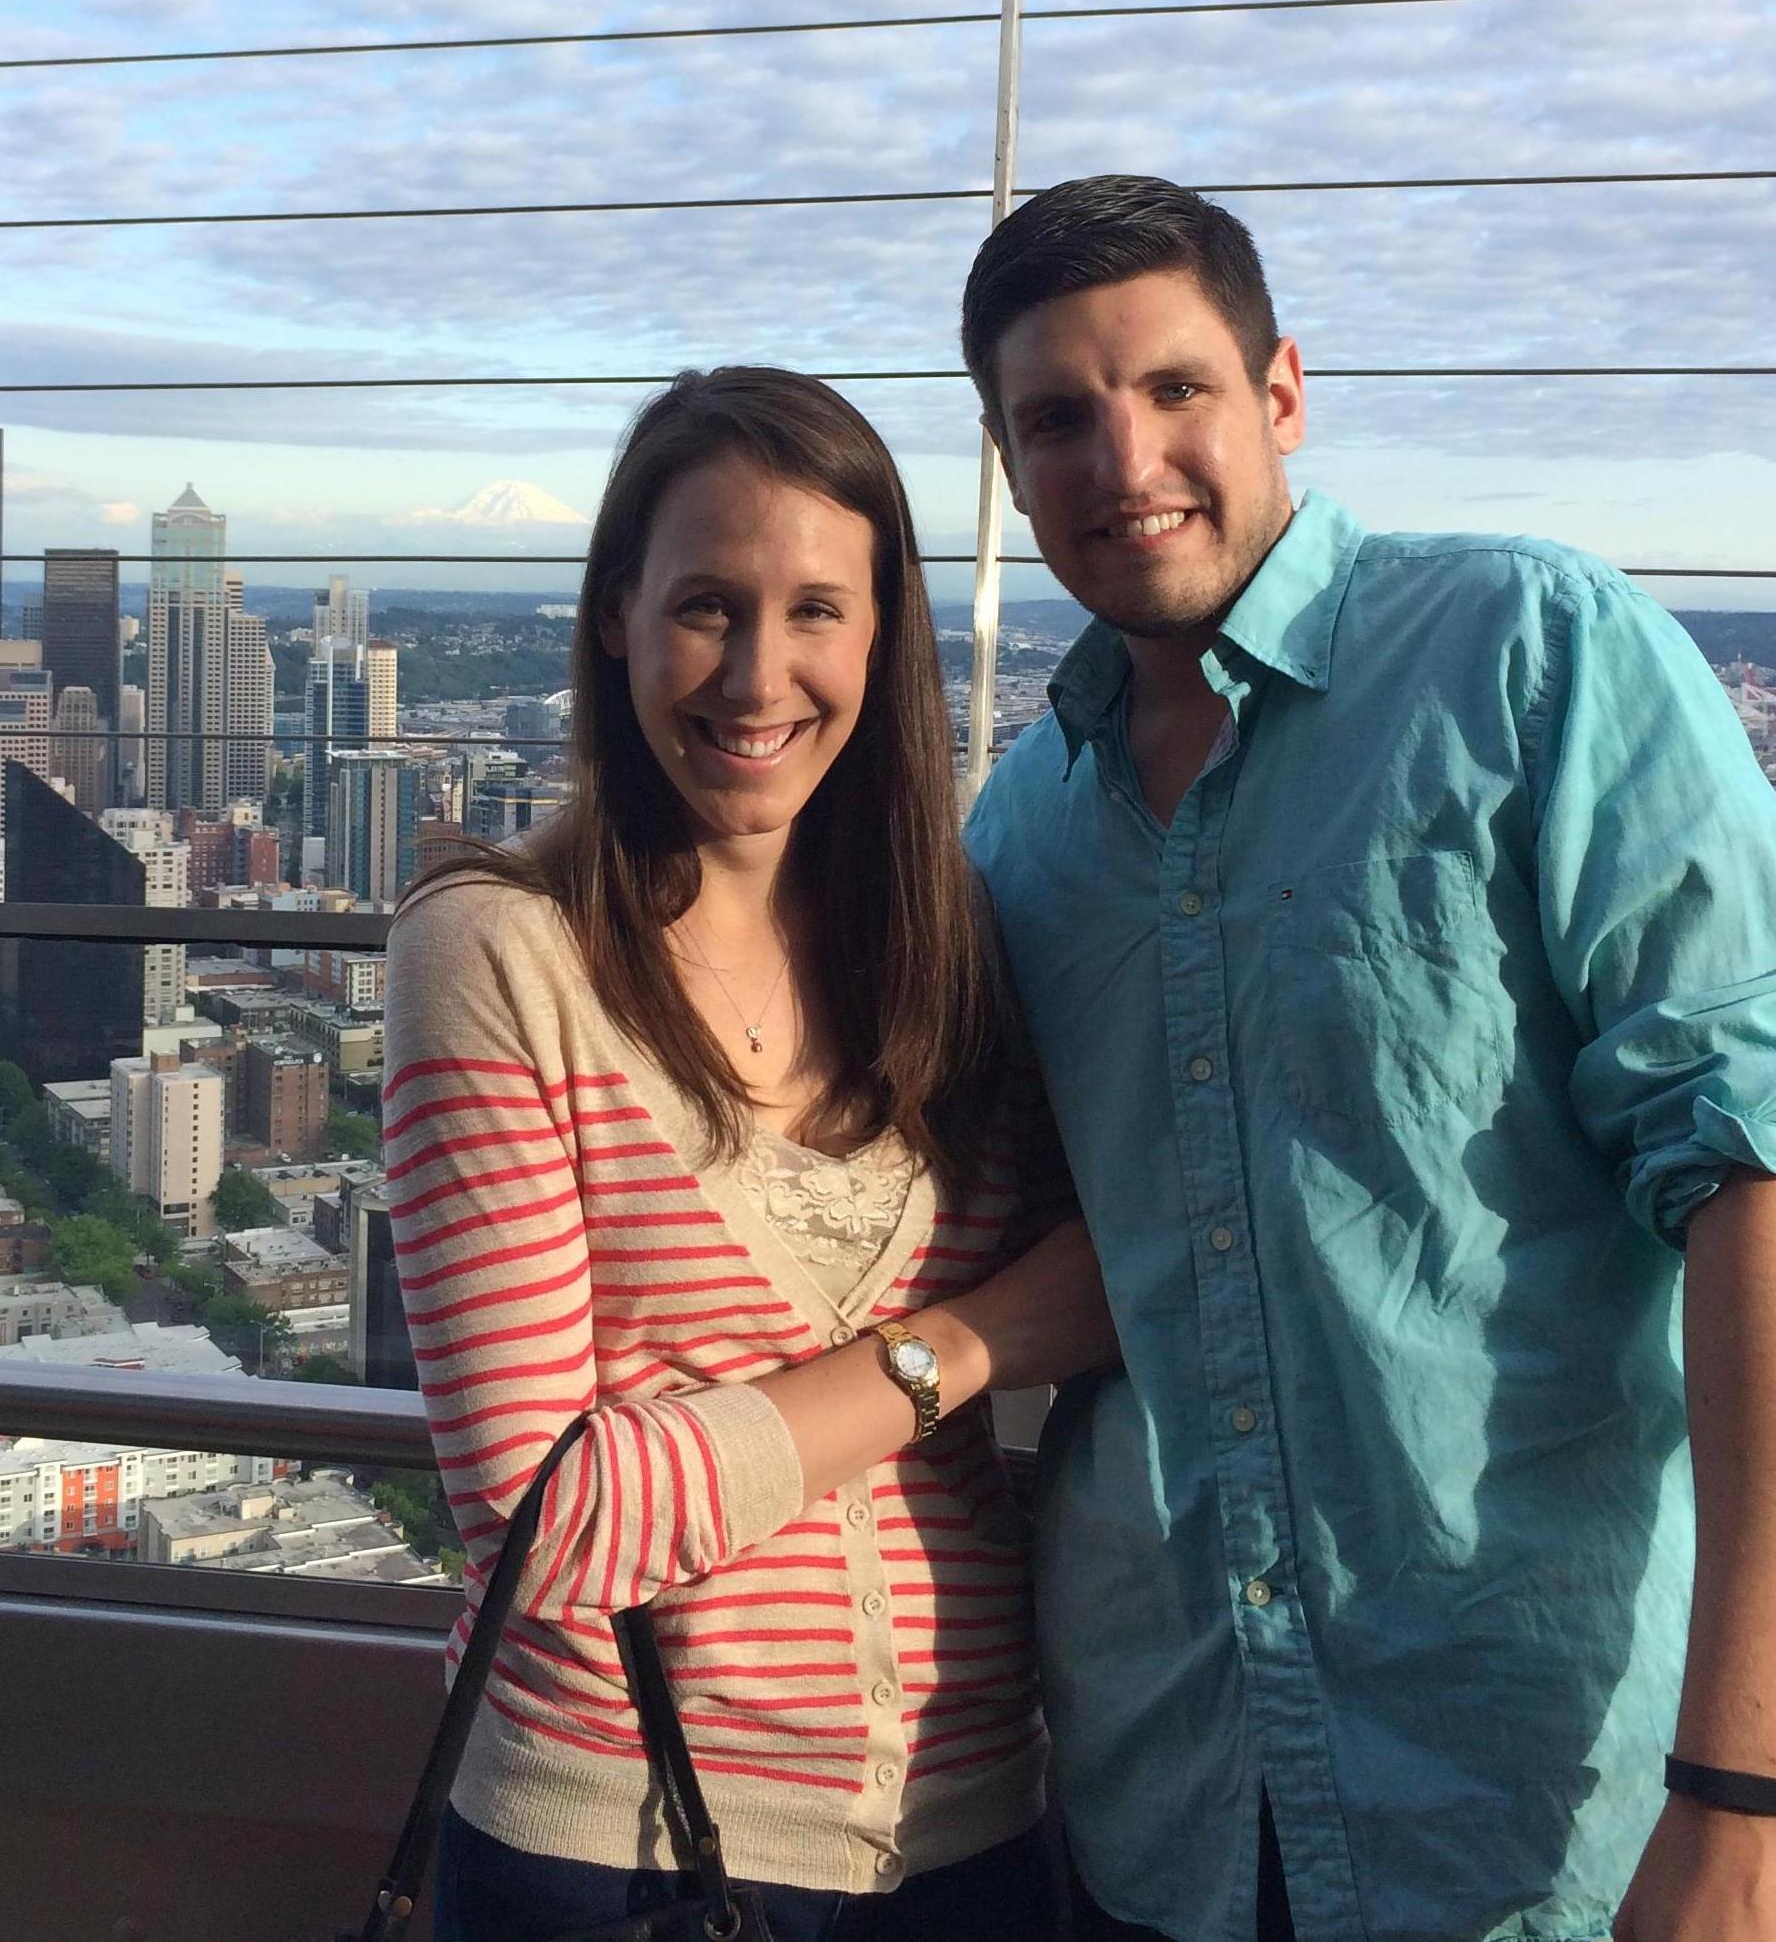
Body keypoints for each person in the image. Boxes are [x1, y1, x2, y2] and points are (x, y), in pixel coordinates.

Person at [959, 172, 1776, 1942]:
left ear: (1282, 394)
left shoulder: (1530, 655)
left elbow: (1755, 1180)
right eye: (1056, 420)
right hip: (1159, 1793)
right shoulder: (1020, 833)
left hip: (1534, 1797)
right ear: (1012, 474)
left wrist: (1741, 1793)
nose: (1122, 458)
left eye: (1174, 389)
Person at [382, 366, 1114, 1942]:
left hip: (982, 1828)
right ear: (614, 618)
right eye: (706, 606)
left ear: (884, 637)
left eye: (817, 613)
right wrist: (962, 1351)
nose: (758, 673)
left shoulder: (951, 948)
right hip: (619, 1843)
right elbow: (546, 1514)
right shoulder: (506, 955)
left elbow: (1133, 1271)